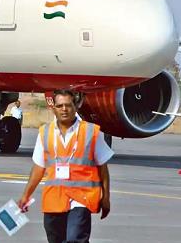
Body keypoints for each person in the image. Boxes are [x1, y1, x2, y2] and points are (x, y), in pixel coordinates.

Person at [18, 89, 112, 243]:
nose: (64, 109)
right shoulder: (45, 133)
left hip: (82, 198)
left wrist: (106, 197)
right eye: (60, 106)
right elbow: (38, 168)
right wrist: (26, 195)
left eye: (68, 105)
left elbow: (103, 167)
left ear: (75, 107)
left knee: (75, 239)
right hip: (54, 200)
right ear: (53, 108)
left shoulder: (90, 132)